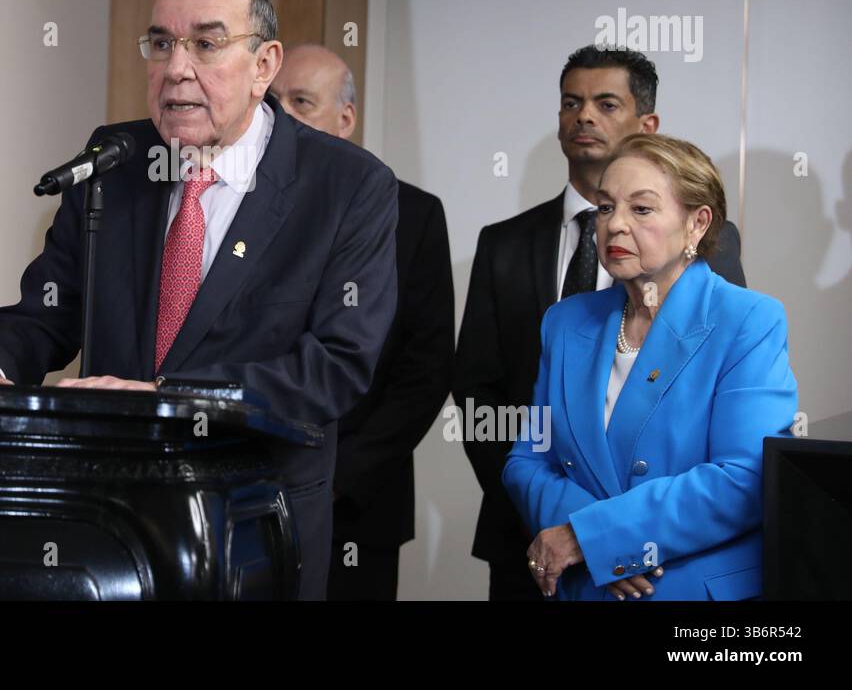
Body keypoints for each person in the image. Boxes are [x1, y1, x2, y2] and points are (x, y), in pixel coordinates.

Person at [0, 0, 399, 599]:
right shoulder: (116, 159)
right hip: (110, 519)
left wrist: (165, 395)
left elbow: (336, 367)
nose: (176, 68)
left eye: (206, 45)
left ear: (264, 64)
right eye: (160, 45)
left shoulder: (345, 185)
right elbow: (48, 307)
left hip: (254, 524)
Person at [454, 45, 747, 600]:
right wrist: (553, 520)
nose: (584, 115)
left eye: (605, 103)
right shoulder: (512, 253)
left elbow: (728, 442)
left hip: (671, 567)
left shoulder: (717, 260)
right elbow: (480, 396)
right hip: (533, 541)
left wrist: (609, 535)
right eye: (571, 102)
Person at [502, 133, 797, 600]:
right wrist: (600, 542)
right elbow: (526, 459)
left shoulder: (749, 320)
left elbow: (745, 477)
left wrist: (595, 537)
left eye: (641, 209)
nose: (614, 225)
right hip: (586, 590)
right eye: (604, 207)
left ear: (697, 224)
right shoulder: (563, 323)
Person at [272, 43, 454, 600]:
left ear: (345, 119)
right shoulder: (243, 204)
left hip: (358, 500)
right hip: (252, 487)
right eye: (274, 101)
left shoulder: (414, 214)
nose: (283, 116)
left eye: (302, 101)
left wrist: (336, 475)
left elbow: (424, 373)